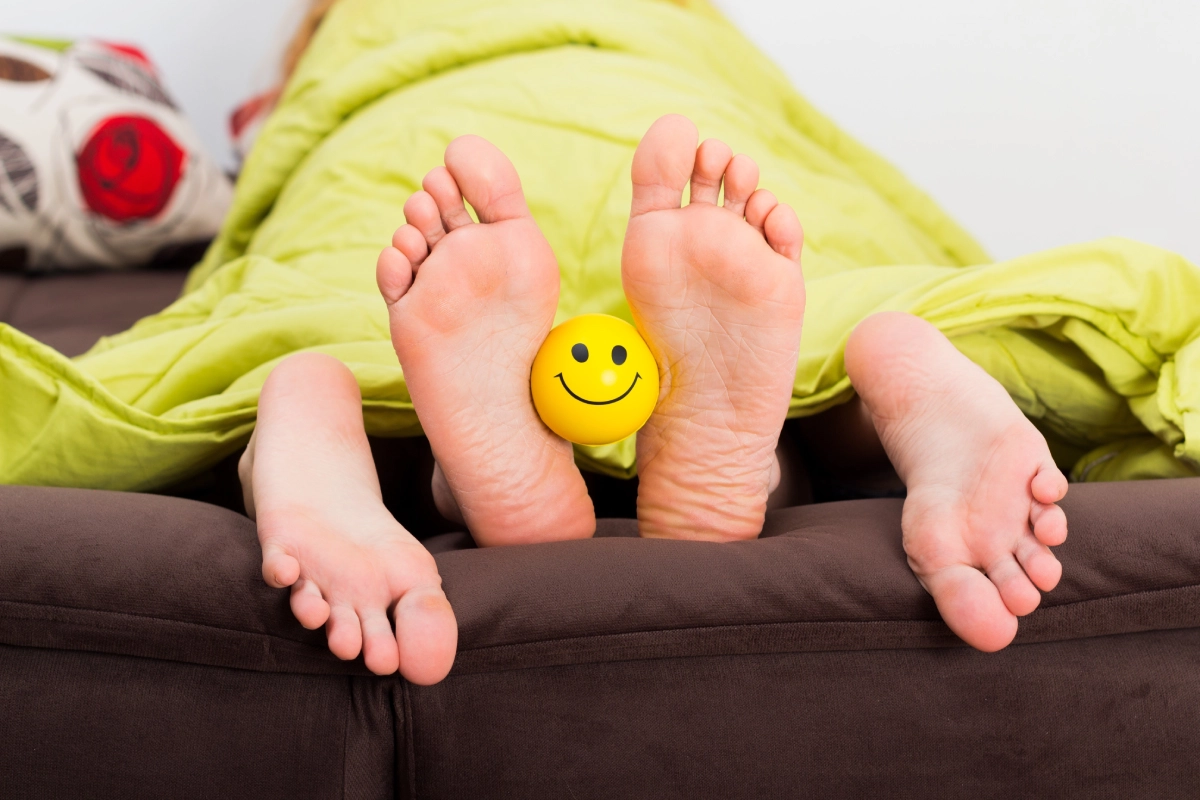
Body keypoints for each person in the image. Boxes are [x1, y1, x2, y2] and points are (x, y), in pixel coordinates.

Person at [237, 112, 1068, 686]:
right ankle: (878, 370)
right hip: (685, 153)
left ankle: (336, 419)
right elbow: (812, 138)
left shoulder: (358, 31)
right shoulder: (691, 22)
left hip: (395, 145)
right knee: (822, 303)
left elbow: (265, 181)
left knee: (351, 295)